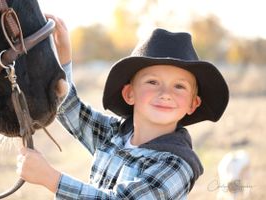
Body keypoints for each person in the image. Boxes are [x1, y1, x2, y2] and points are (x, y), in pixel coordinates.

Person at [17, 14, 229, 199]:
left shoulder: (177, 164)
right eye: (153, 82)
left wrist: (51, 179)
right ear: (129, 93)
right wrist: (64, 58)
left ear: (193, 104)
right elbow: (72, 110)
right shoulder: (114, 135)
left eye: (179, 86)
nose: (165, 94)